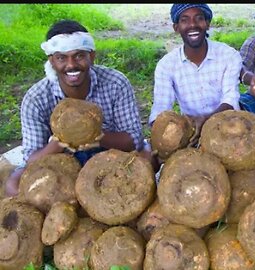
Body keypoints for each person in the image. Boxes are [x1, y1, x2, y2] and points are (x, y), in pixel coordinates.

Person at [5, 19, 145, 196]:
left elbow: (135, 140)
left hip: (110, 155)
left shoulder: (116, 82)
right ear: (52, 61)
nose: (71, 65)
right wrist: (62, 141)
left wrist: (95, 137)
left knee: (148, 158)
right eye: (61, 58)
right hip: (60, 162)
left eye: (79, 55)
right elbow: (31, 159)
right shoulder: (36, 98)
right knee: (14, 185)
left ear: (91, 56)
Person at [148, 3, 242, 147]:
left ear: (207, 24)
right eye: (185, 20)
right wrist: (166, 129)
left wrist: (207, 120)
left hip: (229, 129)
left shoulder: (229, 55)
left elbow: (231, 99)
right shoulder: (166, 65)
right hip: (190, 134)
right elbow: (161, 109)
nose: (193, 25)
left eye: (199, 18)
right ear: (176, 28)